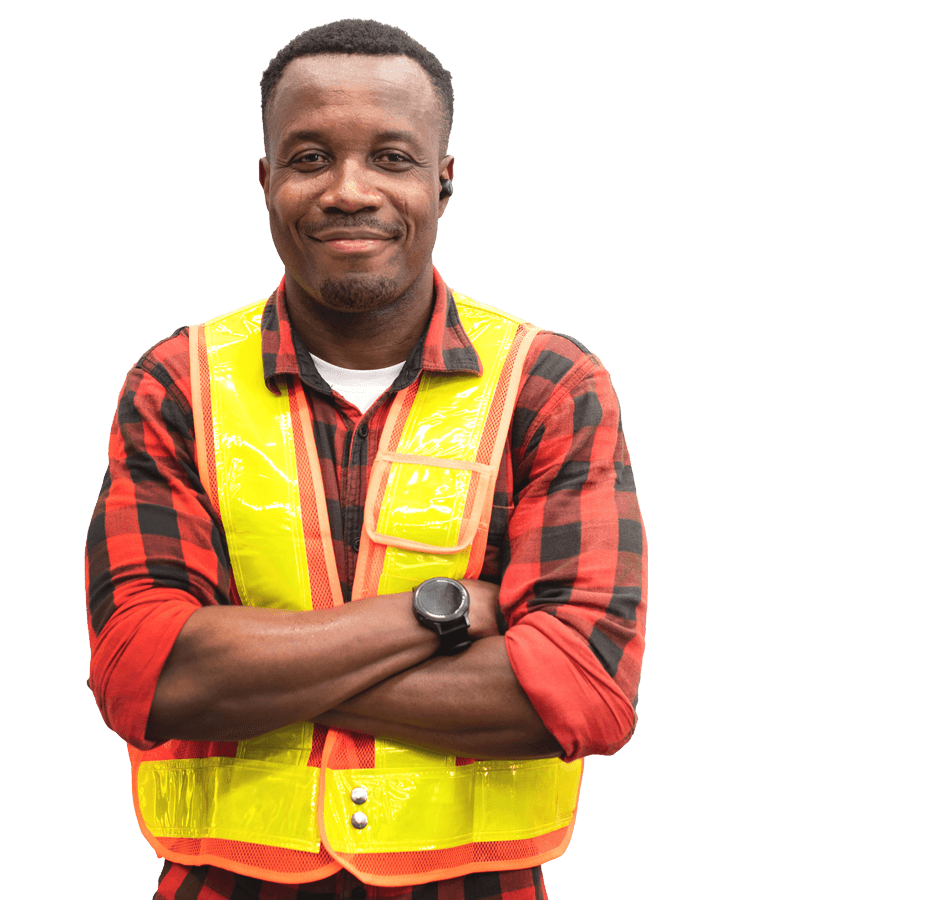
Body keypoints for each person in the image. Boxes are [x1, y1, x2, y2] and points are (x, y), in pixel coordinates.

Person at [85, 18, 647, 900]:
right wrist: (448, 614)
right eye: (310, 158)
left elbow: (583, 694)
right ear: (266, 183)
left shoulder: (551, 383)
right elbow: (141, 677)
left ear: (443, 183)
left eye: (391, 157)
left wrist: (249, 681)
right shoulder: (176, 383)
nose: (350, 190)